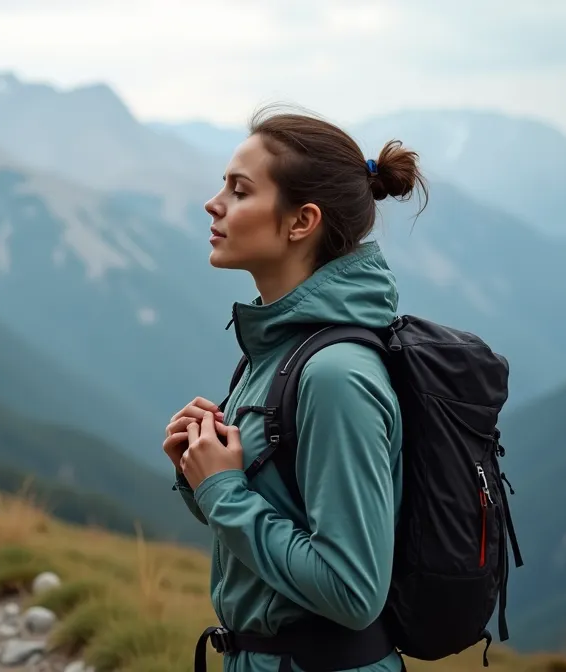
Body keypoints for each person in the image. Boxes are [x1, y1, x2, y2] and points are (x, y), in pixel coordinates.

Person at [165, 105, 427, 672]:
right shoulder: (275, 349)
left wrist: (225, 490)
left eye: (239, 190)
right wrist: (200, 475)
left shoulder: (337, 376)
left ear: (301, 222)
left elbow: (352, 592)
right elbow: (273, 519)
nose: (214, 204)